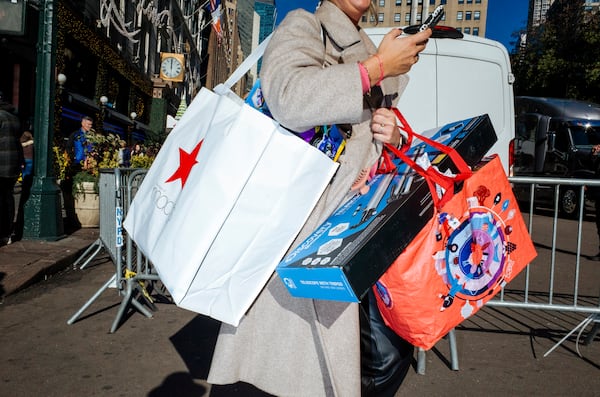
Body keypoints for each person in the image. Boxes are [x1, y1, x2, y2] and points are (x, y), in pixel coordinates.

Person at [207, 1, 432, 396]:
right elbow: (288, 97)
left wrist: (393, 137)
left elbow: (367, 148)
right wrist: (376, 68)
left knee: (382, 357)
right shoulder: (306, 26)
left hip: (356, 234)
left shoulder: (370, 47)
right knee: (292, 374)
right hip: (302, 235)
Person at [0, 93, 23, 246]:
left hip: (1, 163)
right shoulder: (14, 117)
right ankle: (7, 233)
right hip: (12, 164)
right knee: (7, 197)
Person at [13, 130, 34, 242]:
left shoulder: (21, 145)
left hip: (25, 161)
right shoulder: (32, 144)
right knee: (28, 174)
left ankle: (25, 180)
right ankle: (27, 181)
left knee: (25, 174)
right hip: (30, 161)